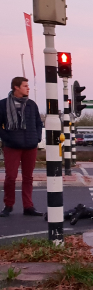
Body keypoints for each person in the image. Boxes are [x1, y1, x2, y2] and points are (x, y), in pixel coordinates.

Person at [0, 77, 44, 217]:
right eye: (25, 86)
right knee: (11, 177)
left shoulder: (31, 104)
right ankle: (8, 205)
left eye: (28, 85)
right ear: (16, 87)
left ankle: (28, 206)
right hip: (12, 145)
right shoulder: (3, 104)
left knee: (28, 177)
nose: (28, 88)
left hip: (30, 145)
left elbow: (38, 123)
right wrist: (6, 138)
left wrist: (36, 138)